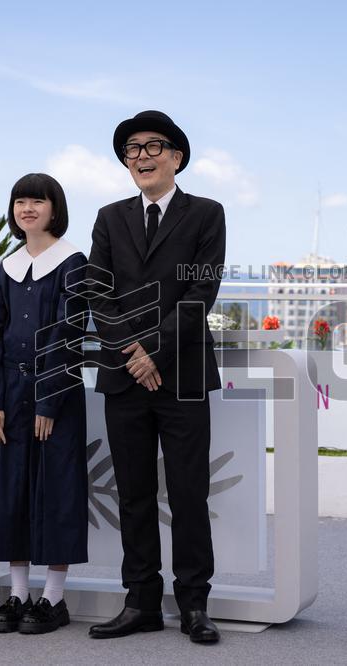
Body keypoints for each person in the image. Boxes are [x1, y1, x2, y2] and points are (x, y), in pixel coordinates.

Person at [86, 111, 226, 643]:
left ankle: (194, 605)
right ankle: (141, 601)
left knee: (189, 493)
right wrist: (131, 350)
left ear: (177, 157)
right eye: (131, 150)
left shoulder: (206, 214)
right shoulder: (109, 217)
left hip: (182, 374)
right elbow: (98, 290)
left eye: (152, 147)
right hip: (124, 375)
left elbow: (200, 292)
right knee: (134, 494)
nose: (140, 157)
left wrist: (156, 354)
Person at [0, 173, 89, 635]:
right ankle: (19, 595)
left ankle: (54, 600)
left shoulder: (73, 262)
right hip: (10, 397)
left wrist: (47, 402)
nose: (27, 209)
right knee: (12, 493)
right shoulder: (7, 265)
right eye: (20, 202)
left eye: (37, 202)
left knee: (56, 492)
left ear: (54, 208)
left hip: (54, 398)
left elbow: (71, 335)